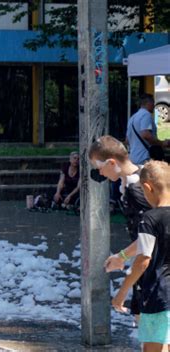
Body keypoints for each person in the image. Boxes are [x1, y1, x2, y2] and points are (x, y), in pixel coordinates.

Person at [89, 135, 152, 319]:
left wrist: (121, 257)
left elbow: (151, 236)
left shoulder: (135, 188)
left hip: (154, 267)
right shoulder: (138, 178)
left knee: (153, 339)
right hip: (149, 264)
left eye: (99, 168)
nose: (100, 173)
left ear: (111, 162)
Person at [111, 160, 170, 351]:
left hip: (159, 294)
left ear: (147, 187)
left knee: (153, 348)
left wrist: (122, 293)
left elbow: (143, 260)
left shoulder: (150, 219)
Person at [126, 94, 169, 165]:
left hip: (133, 158)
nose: (154, 105)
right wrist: (162, 143)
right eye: (153, 103)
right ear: (148, 103)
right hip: (144, 158)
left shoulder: (132, 118)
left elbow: (127, 140)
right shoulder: (146, 115)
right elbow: (146, 134)